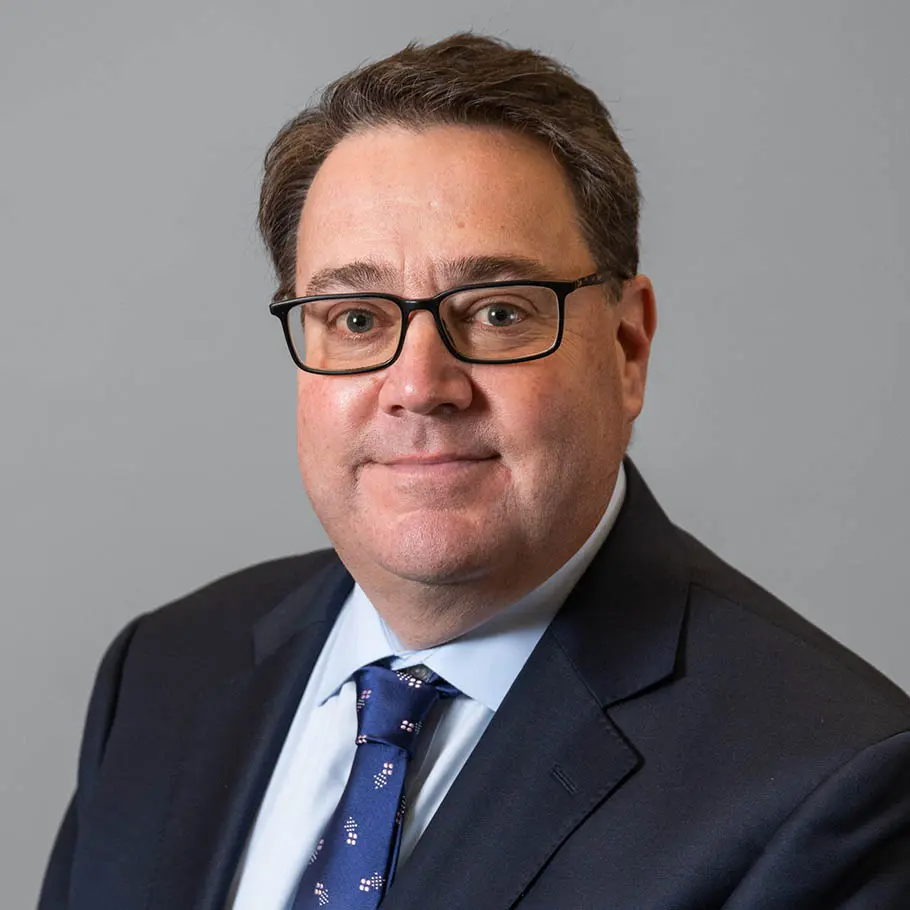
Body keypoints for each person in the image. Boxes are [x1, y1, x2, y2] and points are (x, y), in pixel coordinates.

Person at [39, 33, 910, 910]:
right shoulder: (163, 673)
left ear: (627, 347)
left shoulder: (832, 787)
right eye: (354, 319)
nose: (420, 387)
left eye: (497, 311)